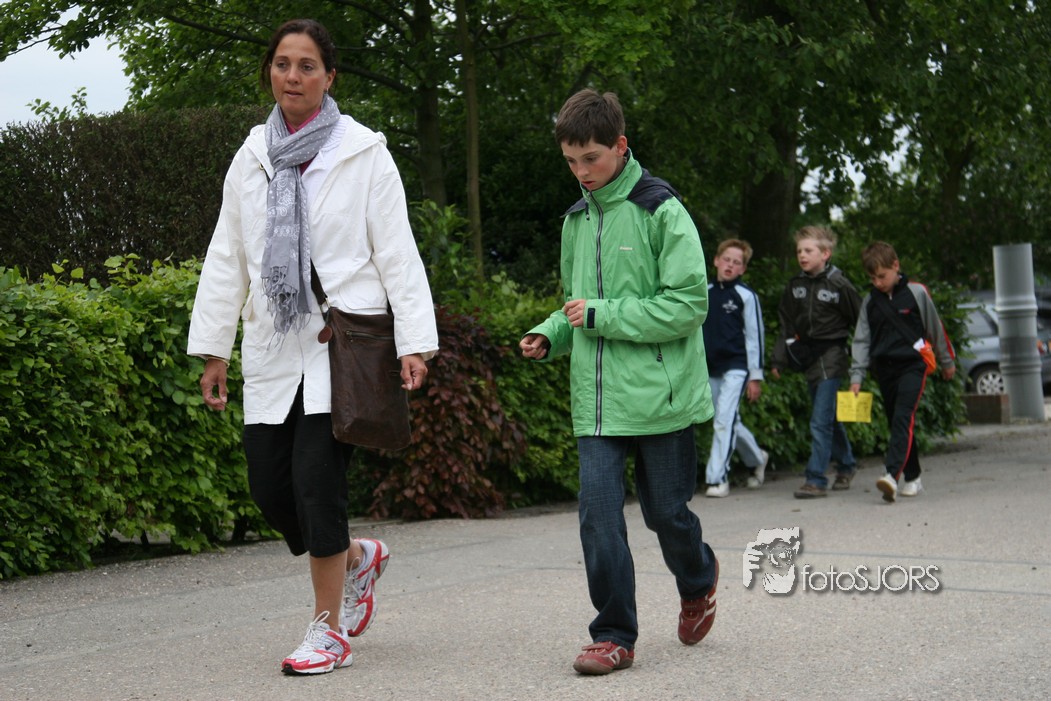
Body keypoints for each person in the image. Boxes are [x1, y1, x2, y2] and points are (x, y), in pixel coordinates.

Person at [186, 19, 438, 675]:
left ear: (329, 77)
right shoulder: (252, 156)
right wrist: (214, 348)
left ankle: (328, 631)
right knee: (270, 489)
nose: (292, 76)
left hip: (341, 346)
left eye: (306, 66)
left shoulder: (362, 152)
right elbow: (227, 255)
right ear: (269, 72)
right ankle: (355, 557)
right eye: (282, 64)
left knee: (316, 485)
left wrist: (414, 342)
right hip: (274, 345)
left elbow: (397, 251)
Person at [519, 89, 719, 676]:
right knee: (598, 516)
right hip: (598, 402)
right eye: (571, 161)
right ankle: (612, 635)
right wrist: (550, 332)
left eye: (592, 158)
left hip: (661, 398)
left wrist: (599, 315)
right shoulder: (576, 220)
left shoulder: (662, 209)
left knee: (666, 515)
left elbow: (688, 305)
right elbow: (576, 307)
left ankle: (698, 579)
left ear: (621, 146)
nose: (582, 172)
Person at [849, 241, 955, 502]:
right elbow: (861, 340)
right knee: (899, 422)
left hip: (913, 365)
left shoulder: (917, 293)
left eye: (882, 276)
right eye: (872, 278)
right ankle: (913, 476)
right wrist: (856, 376)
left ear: (895, 266)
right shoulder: (870, 302)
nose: (877, 283)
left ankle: (891, 475)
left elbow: (935, 327)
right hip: (884, 369)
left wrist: (946, 361)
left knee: (902, 417)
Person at [770, 226, 861, 499]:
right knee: (828, 417)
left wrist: (863, 361)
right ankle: (846, 465)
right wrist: (779, 359)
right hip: (807, 356)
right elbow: (786, 323)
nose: (802, 255)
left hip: (832, 356)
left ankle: (816, 479)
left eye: (808, 250)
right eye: (799, 251)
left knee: (819, 420)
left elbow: (861, 321)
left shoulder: (839, 284)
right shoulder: (795, 286)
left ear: (825, 254)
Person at [702, 238, 770, 497]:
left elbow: (755, 337)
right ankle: (758, 458)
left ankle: (717, 479)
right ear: (716, 261)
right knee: (727, 420)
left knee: (724, 420)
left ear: (743, 268)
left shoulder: (746, 296)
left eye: (736, 262)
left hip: (737, 366)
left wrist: (755, 376)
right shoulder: (704, 292)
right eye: (726, 260)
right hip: (710, 367)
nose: (730, 265)